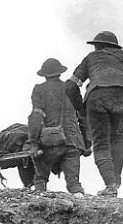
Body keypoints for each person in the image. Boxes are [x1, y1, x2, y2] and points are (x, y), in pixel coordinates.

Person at [65, 31, 123, 197]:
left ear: (98, 46)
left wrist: (80, 109)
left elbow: (71, 86)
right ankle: (115, 180)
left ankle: (110, 185)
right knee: (116, 137)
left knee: (101, 142)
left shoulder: (91, 58)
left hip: (97, 98)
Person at [25, 58, 89, 196]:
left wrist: (34, 144)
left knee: (40, 180)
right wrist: (86, 143)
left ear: (45, 75)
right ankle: (81, 202)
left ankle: (40, 204)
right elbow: (83, 117)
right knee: (74, 183)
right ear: (60, 73)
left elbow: (36, 116)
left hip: (50, 143)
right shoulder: (71, 89)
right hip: (73, 142)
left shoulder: (40, 90)